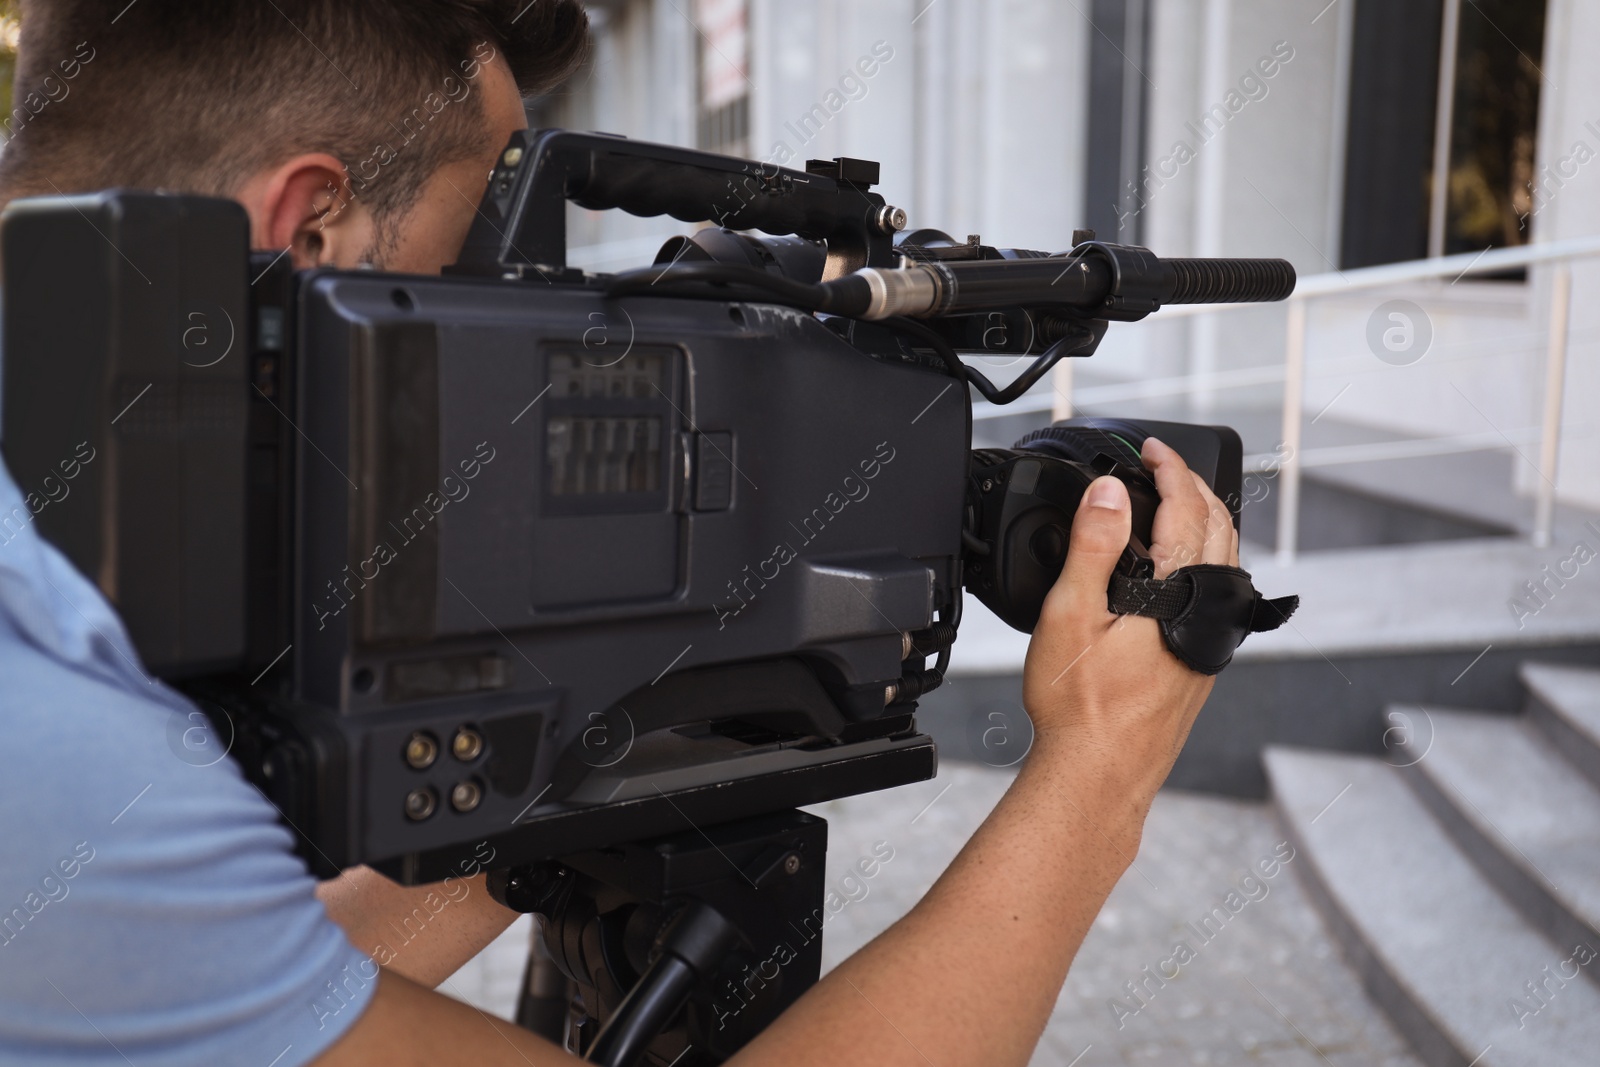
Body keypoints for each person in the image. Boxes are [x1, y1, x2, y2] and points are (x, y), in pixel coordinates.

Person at [0, 2, 1239, 1064]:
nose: (496, 303)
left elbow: (218, 978)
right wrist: (1100, 770)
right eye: (467, 251)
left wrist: (581, 744)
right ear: (309, 230)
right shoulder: (55, 741)